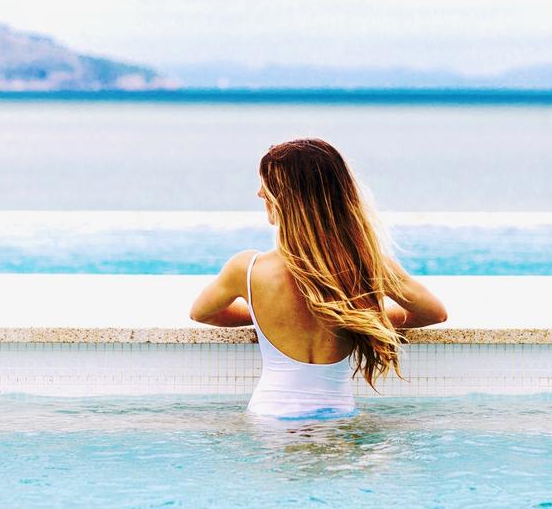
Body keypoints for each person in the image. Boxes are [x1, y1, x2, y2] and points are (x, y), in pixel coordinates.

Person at [188, 138, 448, 419]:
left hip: (270, 419)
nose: (259, 193)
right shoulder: (368, 264)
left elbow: (202, 313)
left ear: (286, 198)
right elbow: (434, 312)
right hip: (338, 418)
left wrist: (265, 315)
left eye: (267, 185)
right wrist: (360, 315)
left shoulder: (248, 269)